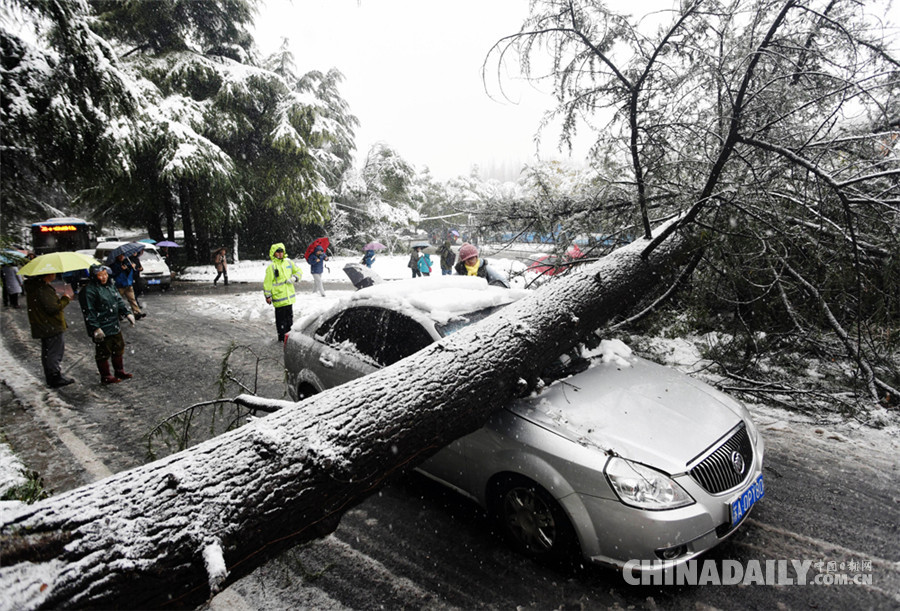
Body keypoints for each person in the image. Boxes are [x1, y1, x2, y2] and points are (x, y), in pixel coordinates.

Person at [79, 265, 135, 384]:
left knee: (118, 347)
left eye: (105, 274)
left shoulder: (110, 286)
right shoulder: (89, 290)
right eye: (100, 275)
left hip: (114, 323)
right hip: (102, 325)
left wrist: (127, 313)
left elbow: (118, 300)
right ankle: (106, 376)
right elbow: (89, 311)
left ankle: (119, 370)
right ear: (95, 276)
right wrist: (95, 328)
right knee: (103, 352)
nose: (104, 277)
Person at [24, 272, 74, 388]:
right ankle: (55, 377)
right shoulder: (43, 289)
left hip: (43, 325)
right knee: (54, 352)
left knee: (47, 352)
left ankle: (51, 376)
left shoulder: (35, 287)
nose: (55, 275)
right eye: (53, 273)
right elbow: (53, 308)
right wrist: (65, 299)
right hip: (51, 325)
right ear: (47, 274)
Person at [264, 243, 301, 343]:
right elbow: (267, 283)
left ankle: (289, 336)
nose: (280, 254)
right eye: (278, 252)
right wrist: (267, 296)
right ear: (274, 253)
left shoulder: (289, 262)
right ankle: (281, 337)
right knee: (281, 320)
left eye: (281, 251)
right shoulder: (271, 267)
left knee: (289, 318)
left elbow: (299, 271)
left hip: (289, 298)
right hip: (279, 298)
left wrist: (294, 278)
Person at [110, 253, 145, 319]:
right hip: (119, 285)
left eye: (122, 256)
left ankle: (137, 312)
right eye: (120, 256)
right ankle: (119, 314)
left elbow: (132, 273)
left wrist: (133, 268)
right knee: (118, 301)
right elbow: (113, 274)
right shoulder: (114, 264)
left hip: (128, 284)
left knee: (132, 299)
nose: (121, 257)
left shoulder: (127, 262)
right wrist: (120, 269)